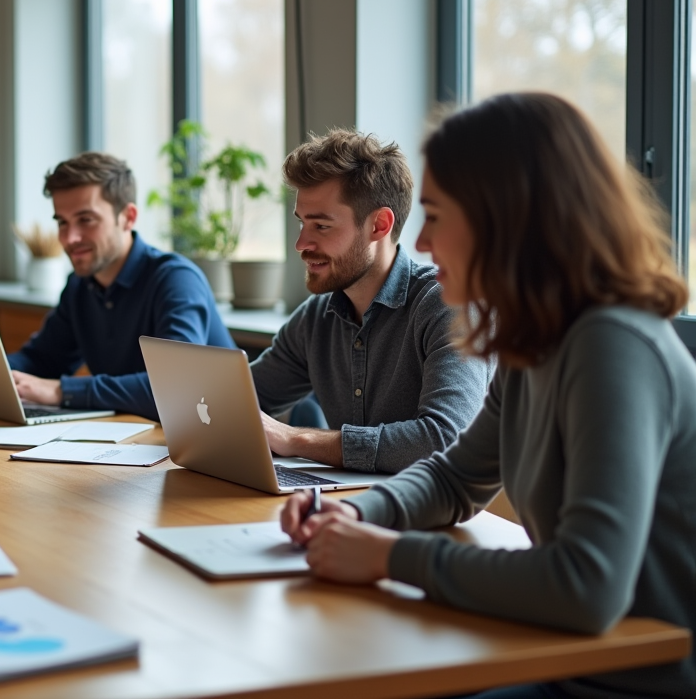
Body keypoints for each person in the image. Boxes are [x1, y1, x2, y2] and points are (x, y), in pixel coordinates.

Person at [281, 93, 696, 698]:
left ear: (509, 218)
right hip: (566, 662)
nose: (421, 246)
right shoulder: (539, 341)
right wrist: (355, 512)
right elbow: (455, 479)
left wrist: (389, 557)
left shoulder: (612, 346)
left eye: (439, 216)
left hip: (636, 684)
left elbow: (586, 585)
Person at [249, 130, 491, 473]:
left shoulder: (447, 306)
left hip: (441, 517)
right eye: (303, 223)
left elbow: (445, 438)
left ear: (379, 225)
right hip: (352, 507)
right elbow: (243, 399)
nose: (301, 243)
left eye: (321, 226)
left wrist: (296, 440)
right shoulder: (317, 318)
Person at [6, 151, 235, 420]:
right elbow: (42, 359)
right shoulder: (80, 285)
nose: (70, 238)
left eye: (86, 220)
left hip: (217, 442)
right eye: (62, 222)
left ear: (128, 217)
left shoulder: (176, 280)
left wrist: (62, 391)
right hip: (138, 440)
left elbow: (177, 388)